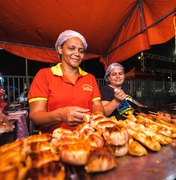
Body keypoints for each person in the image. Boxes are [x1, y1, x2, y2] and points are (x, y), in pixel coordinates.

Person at [27, 30, 104, 133]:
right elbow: (36, 116)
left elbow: (97, 105)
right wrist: (61, 115)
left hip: (86, 138)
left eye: (81, 51)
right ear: (60, 49)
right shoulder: (44, 75)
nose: (77, 54)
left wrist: (98, 116)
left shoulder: (90, 78)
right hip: (54, 140)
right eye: (71, 48)